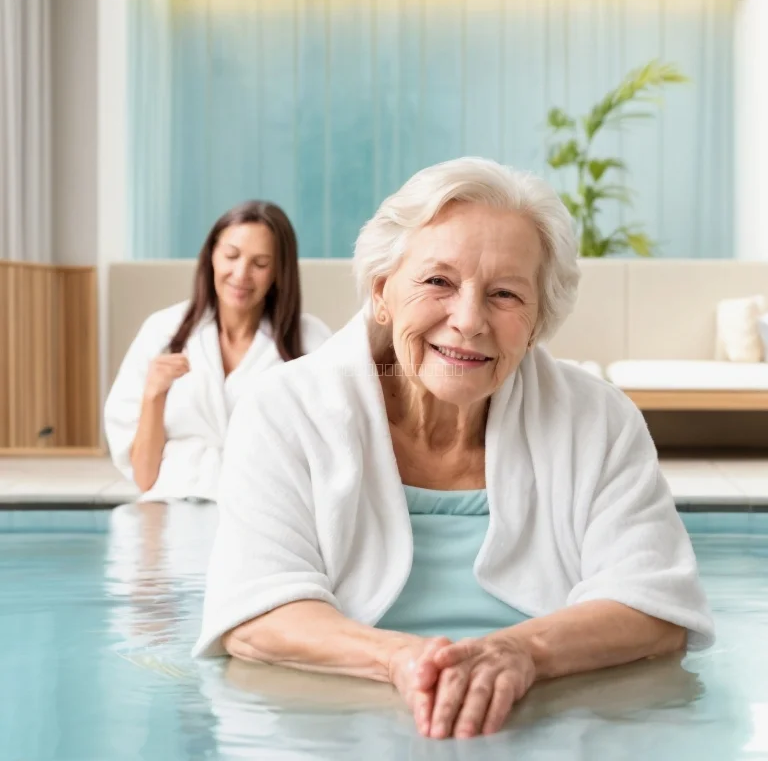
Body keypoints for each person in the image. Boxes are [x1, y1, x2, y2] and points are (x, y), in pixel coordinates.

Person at [191, 159, 715, 740]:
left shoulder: (598, 419)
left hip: (557, 724)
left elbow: (656, 607)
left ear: (540, 319)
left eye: (505, 294)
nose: (468, 321)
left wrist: (523, 653)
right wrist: (399, 661)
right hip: (337, 729)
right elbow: (254, 613)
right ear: (382, 291)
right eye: (438, 282)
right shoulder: (284, 410)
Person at [104, 200, 332, 503]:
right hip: (173, 502)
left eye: (260, 264)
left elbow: (332, 453)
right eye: (231, 256)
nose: (241, 274)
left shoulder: (310, 342)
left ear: (279, 271)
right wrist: (154, 394)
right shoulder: (162, 332)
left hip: (268, 509)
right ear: (211, 254)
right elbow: (144, 478)